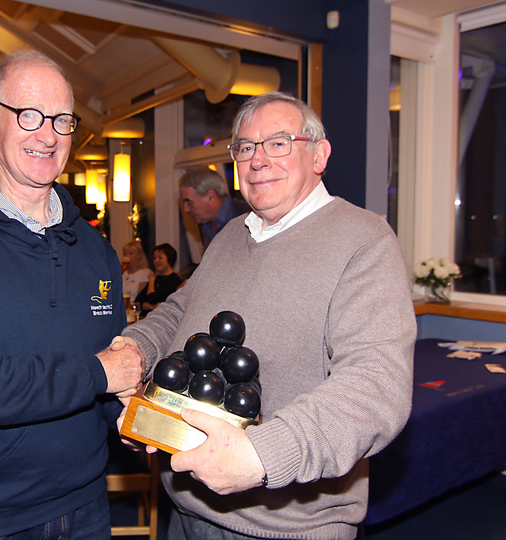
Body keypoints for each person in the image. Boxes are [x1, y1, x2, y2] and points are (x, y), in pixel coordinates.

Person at [119, 92, 416, 540]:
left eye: (278, 142)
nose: (258, 160)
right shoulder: (230, 235)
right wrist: (135, 347)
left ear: (319, 154)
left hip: (281, 524)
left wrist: (263, 455)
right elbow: (182, 307)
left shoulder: (365, 240)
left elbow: (377, 385)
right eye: (245, 147)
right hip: (185, 503)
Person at [0, 49, 144, 539]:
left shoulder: (96, 251)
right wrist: (100, 372)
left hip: (86, 505)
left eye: (62, 120)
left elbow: (104, 382)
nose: (48, 134)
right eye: (29, 115)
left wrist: (135, 421)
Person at [178, 168, 250, 250]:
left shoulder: (249, 218)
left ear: (210, 196)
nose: (185, 209)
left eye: (189, 202)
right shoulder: (207, 224)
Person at [134, 243, 182, 317]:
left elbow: (152, 298)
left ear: (169, 259)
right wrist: (152, 307)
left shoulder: (174, 281)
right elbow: (137, 302)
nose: (156, 261)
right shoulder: (156, 278)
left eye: (160, 257)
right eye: (154, 258)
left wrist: (151, 281)